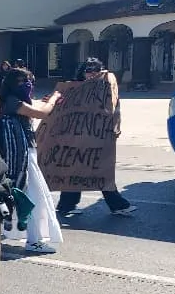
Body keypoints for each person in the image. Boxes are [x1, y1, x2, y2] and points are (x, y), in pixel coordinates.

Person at [0, 67, 63, 254]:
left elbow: (38, 110)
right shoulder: (12, 101)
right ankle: (33, 240)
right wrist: (54, 98)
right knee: (30, 195)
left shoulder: (17, 100)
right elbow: (42, 113)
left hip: (25, 151)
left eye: (28, 81)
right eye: (21, 81)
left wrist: (49, 102)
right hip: (18, 155)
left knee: (23, 195)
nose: (27, 85)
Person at [56, 58, 137, 217]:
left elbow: (114, 108)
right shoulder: (73, 88)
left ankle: (67, 205)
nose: (92, 74)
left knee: (96, 169)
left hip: (97, 137)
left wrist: (115, 126)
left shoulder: (106, 88)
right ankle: (116, 205)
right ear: (82, 72)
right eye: (88, 70)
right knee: (85, 170)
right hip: (77, 138)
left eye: (96, 70)